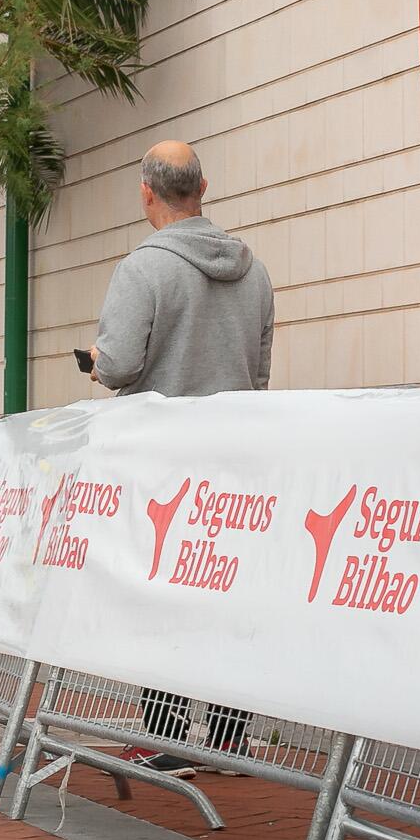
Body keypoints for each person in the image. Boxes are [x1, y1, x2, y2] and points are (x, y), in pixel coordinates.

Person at [88, 141, 274, 779]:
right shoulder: (255, 273)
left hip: (163, 466)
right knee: (225, 592)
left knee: (160, 594)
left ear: (146, 192)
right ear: (203, 186)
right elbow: (261, 371)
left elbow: (117, 365)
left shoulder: (142, 269)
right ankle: (228, 737)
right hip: (236, 460)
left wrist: (100, 357)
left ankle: (165, 733)